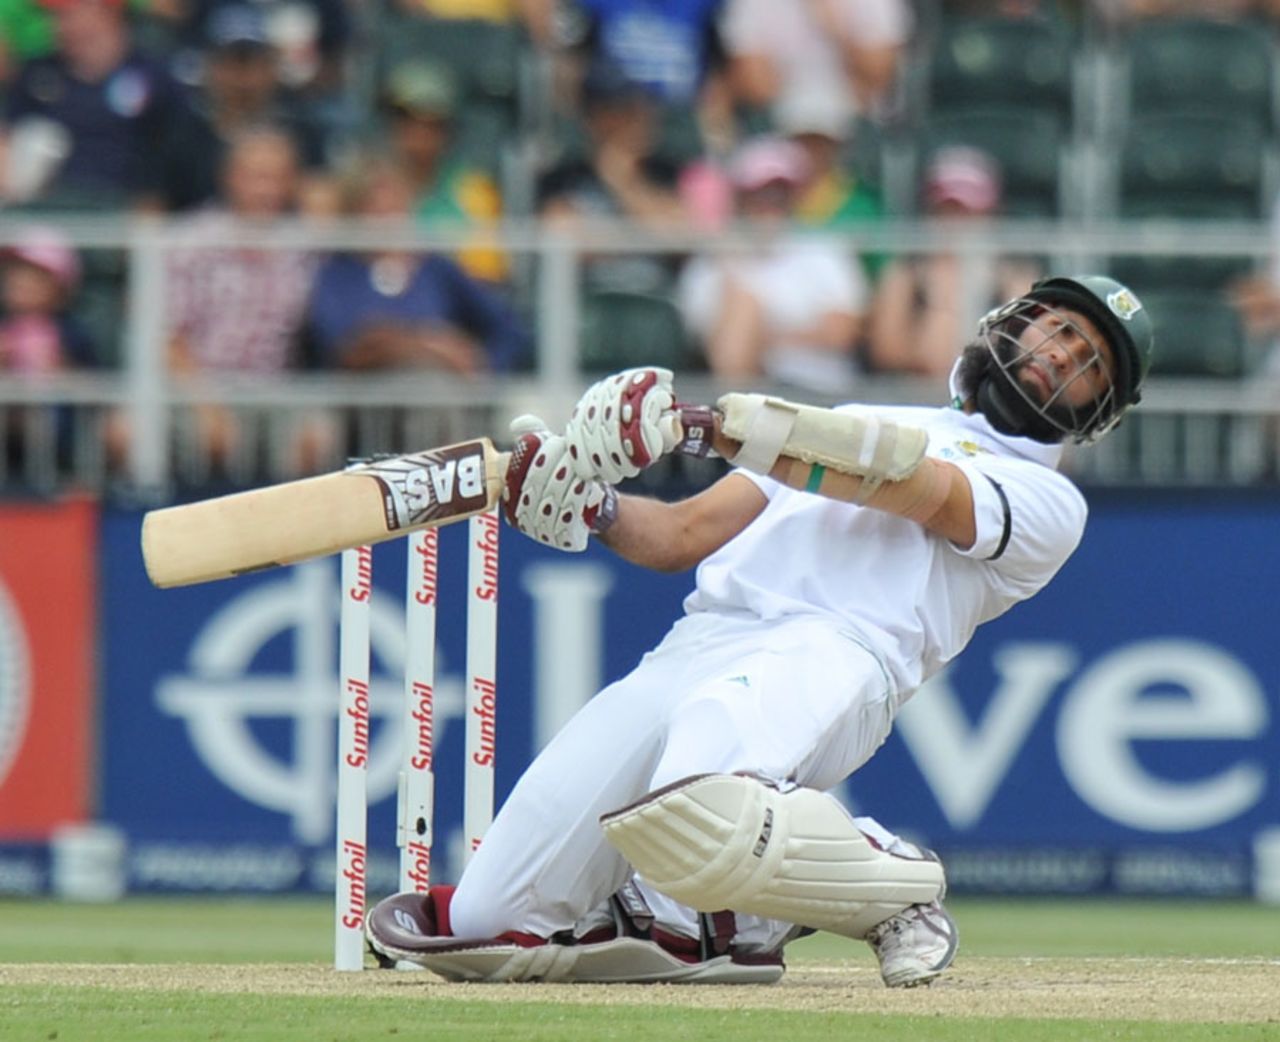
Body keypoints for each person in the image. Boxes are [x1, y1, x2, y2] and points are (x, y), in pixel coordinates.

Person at [365, 273, 1155, 987]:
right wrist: (592, 508)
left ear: (1098, 411)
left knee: (698, 794)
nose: (1061, 355)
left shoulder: (1045, 500)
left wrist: (694, 428)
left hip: (837, 650)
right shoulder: (850, 419)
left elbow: (911, 487)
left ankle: (890, 889)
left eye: (1089, 362)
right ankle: (692, 920)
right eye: (1057, 327)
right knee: (485, 919)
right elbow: (679, 537)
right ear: (1013, 322)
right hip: (701, 640)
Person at [677, 135, 869, 389]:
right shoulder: (712, 260)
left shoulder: (825, 250)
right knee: (743, 304)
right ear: (741, 197)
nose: (771, 202)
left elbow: (842, 333)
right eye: (761, 192)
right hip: (749, 389)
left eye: (781, 192)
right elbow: (711, 343)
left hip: (819, 390)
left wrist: (766, 338)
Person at [868, 146, 1043, 378]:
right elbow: (887, 352)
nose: (954, 223)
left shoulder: (1017, 279)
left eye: (968, 213)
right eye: (945, 211)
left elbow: (1024, 353)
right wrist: (942, 306)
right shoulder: (904, 275)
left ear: (991, 214)